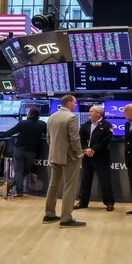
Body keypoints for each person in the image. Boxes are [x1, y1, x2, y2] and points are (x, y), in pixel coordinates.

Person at [43, 94, 86, 228]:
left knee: (53, 185)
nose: (76, 104)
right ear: (68, 103)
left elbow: (48, 138)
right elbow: (74, 139)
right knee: (69, 186)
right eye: (74, 102)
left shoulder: (52, 117)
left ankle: (49, 214)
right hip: (69, 157)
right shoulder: (72, 117)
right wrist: (79, 153)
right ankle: (66, 219)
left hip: (54, 155)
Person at [0, 107, 47, 197]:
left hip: (19, 150)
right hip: (32, 151)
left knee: (19, 171)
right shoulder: (42, 124)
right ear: (38, 116)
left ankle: (16, 189)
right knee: (26, 170)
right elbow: (47, 136)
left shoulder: (23, 123)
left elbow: (10, 132)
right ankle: (12, 186)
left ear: (29, 114)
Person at [74, 105, 116, 211]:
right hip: (87, 157)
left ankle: (109, 202)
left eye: (91, 111)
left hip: (101, 157)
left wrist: (93, 149)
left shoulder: (107, 125)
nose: (89, 113)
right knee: (85, 180)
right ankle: (83, 202)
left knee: (105, 181)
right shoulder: (85, 125)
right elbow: (81, 138)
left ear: (99, 113)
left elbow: (106, 140)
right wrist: (86, 149)